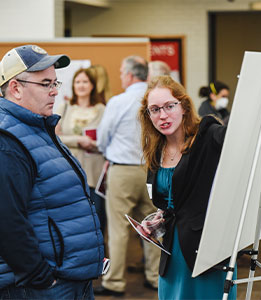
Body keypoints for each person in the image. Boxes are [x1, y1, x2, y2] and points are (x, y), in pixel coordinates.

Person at [0, 45, 104, 300]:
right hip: (39, 288)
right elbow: (6, 223)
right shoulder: (5, 143)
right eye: (45, 83)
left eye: (55, 83)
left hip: (67, 280)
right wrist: (41, 277)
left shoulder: (40, 129)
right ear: (16, 88)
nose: (54, 91)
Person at [138, 75, 237, 300]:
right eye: (154, 109)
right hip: (172, 252)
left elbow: (241, 144)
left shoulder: (208, 135)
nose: (162, 115)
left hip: (206, 252)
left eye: (169, 106)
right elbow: (172, 201)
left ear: (183, 106)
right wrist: (157, 221)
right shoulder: (155, 150)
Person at [94, 55, 160, 297]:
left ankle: (115, 282)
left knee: (119, 228)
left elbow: (103, 138)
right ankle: (155, 278)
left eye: (122, 72)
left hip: (122, 170)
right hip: (153, 170)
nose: (121, 76)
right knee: (153, 226)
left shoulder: (118, 101)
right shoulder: (155, 98)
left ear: (130, 75)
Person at [55, 67, 106, 234]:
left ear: (92, 85)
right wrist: (78, 140)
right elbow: (53, 137)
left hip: (94, 173)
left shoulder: (101, 109)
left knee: (96, 220)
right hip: (69, 171)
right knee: (71, 221)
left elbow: (107, 140)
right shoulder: (64, 107)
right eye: (78, 82)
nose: (81, 85)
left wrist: (93, 143)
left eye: (85, 81)